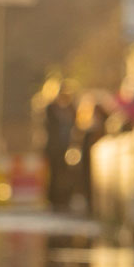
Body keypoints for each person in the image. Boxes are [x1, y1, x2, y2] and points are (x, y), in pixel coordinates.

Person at [42, 80, 77, 210]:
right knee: (54, 173)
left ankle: (65, 198)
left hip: (68, 147)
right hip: (54, 147)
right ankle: (52, 199)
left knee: (65, 173)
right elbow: (48, 127)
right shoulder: (50, 108)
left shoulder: (71, 108)